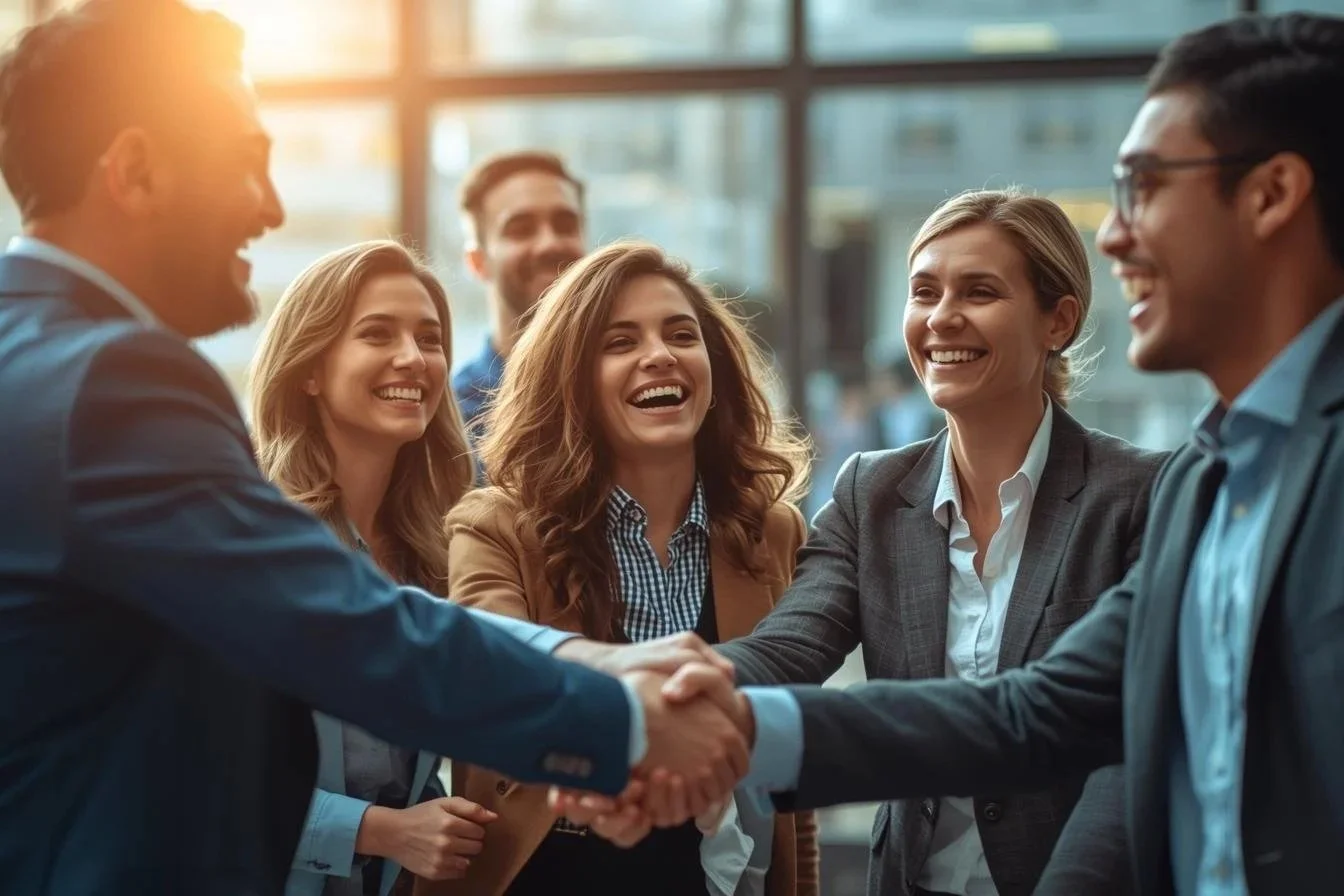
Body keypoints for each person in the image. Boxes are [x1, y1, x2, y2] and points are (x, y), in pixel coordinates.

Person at [564, 12, 1344, 896]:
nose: (1116, 235)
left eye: (1147, 187)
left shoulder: (1161, 488)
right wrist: (647, 713)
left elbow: (1113, 754)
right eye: (924, 291)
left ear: (1272, 194)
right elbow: (1030, 713)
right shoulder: (1214, 479)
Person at [0, 4, 749, 893]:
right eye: (244, 162)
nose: (270, 206)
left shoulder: (30, 352)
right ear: (135, 171)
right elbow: (341, 624)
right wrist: (616, 713)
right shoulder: (112, 379)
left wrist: (601, 665)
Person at [717, 188, 1166, 896]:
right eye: (924, 291)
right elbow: (784, 650)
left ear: (1058, 320)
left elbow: (1132, 741)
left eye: (979, 292)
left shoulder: (1140, 495)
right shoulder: (870, 492)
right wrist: (658, 691)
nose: (941, 317)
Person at [431, 240, 818, 896]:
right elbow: (493, 675)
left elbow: (790, 772)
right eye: (620, 342)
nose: (660, 355)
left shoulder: (773, 532)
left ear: (714, 369)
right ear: (573, 382)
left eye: (681, 335)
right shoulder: (493, 525)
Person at [250, 240, 499, 895]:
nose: (413, 357)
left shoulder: (436, 551)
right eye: (377, 334)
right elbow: (194, 772)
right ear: (310, 369)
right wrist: (380, 830)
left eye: (430, 338)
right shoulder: (255, 543)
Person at [451, 150, 587, 437]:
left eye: (565, 226)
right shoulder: (450, 421)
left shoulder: (628, 391)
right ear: (477, 262)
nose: (550, 244)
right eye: (521, 230)